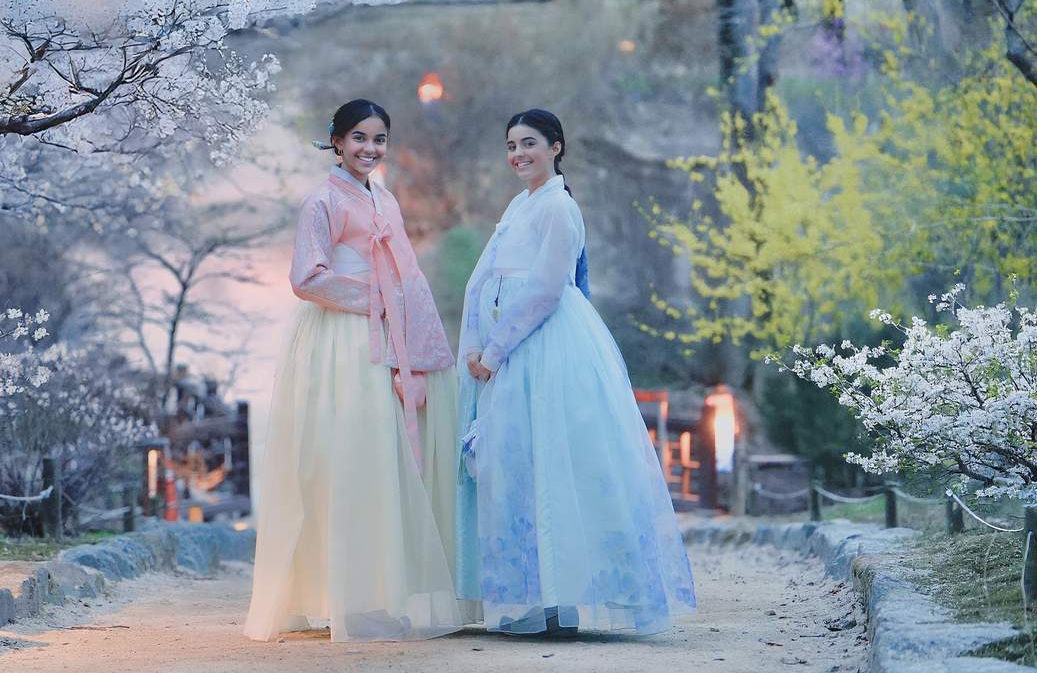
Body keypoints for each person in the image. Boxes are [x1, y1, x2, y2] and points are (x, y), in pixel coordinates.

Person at [455, 109, 697, 636]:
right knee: (519, 465)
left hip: (544, 348)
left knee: (554, 462)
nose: (519, 154)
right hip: (513, 348)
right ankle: (535, 596)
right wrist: (477, 341)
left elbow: (544, 289)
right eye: (512, 145)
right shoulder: (520, 205)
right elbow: (489, 278)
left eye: (530, 144)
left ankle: (564, 599)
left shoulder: (558, 208)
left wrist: (494, 352)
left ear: (556, 147)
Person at [244, 99, 461, 642]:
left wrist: (396, 309)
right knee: (344, 461)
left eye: (379, 138)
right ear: (336, 141)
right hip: (341, 338)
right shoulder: (322, 201)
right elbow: (307, 278)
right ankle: (346, 598)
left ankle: (378, 591)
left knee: (381, 462)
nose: (369, 148)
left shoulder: (383, 197)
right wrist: (377, 297)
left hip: (381, 334)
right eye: (359, 138)